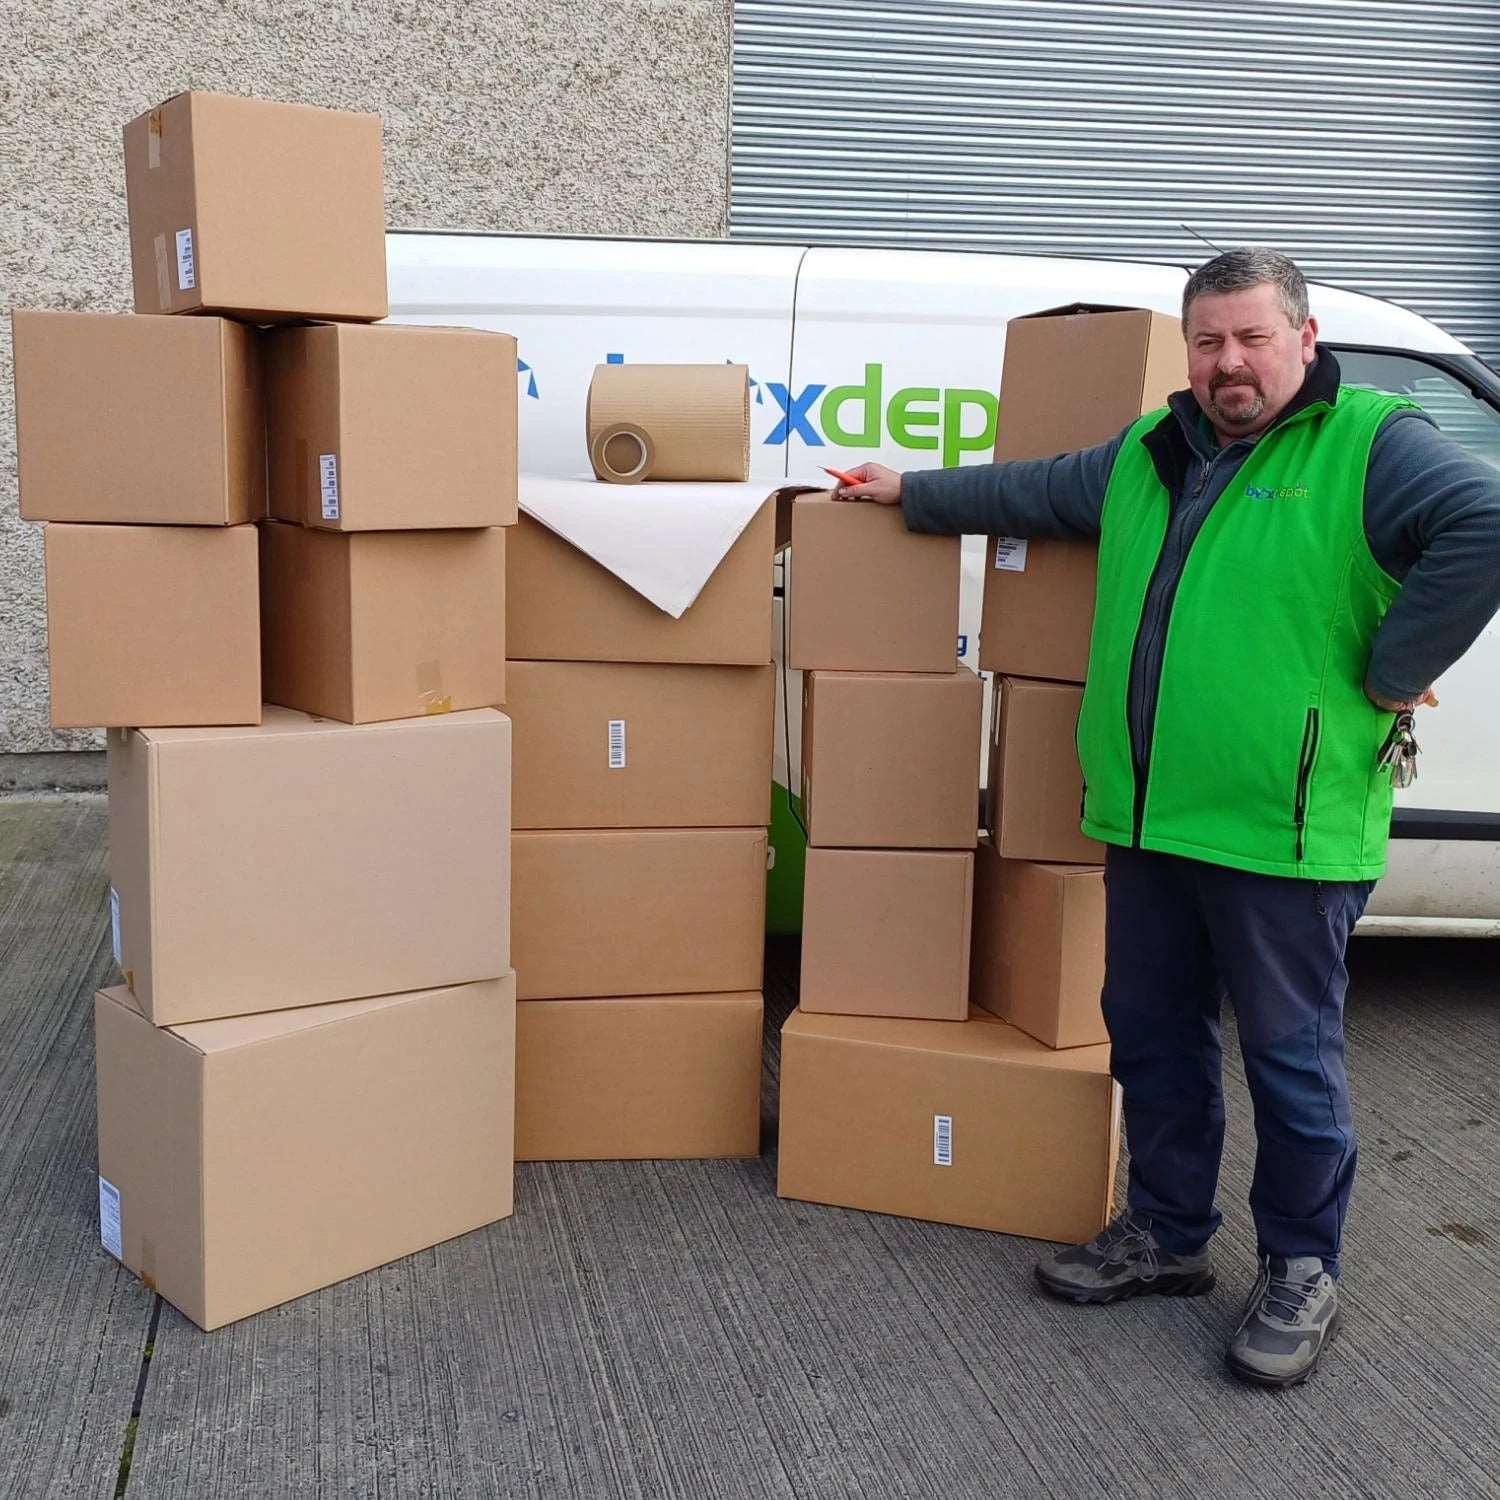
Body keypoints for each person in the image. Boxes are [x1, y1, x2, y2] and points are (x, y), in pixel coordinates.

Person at [834, 247, 1500, 1388]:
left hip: (1284, 828)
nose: (1227, 363)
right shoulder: (1154, 449)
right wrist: (916, 491)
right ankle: (1170, 1235)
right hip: (1148, 819)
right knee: (1151, 1033)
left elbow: (1486, 524)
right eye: (1207, 341)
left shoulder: (1371, 445)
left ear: (1301, 337)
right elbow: (1035, 489)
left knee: (1291, 1061)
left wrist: (1392, 671)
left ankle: (1300, 1266)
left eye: (1250, 338)